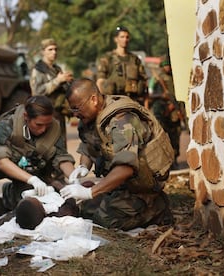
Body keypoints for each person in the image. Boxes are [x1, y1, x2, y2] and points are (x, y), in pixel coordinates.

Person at [60, 78, 175, 231]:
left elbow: (126, 167)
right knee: (86, 210)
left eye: (77, 108)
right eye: (72, 110)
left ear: (93, 99)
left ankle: (156, 208)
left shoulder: (122, 120)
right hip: (123, 183)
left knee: (105, 222)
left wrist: (90, 192)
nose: (75, 115)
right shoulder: (90, 118)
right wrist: (83, 166)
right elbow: (88, 145)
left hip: (141, 184)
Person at [0, 95, 76, 226]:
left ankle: (11, 194)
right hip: (8, 165)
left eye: (47, 125)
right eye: (39, 125)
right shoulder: (8, 124)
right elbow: (2, 162)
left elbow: (61, 157)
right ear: (26, 117)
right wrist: (32, 180)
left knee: (28, 208)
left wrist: (73, 177)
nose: (43, 129)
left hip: (33, 168)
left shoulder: (54, 128)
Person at [30, 38, 73, 147]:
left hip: (58, 113)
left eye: (55, 49)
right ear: (43, 51)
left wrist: (67, 81)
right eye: (50, 49)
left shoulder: (57, 69)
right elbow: (37, 92)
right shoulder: (38, 70)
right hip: (45, 114)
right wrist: (57, 81)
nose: (54, 52)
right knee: (47, 147)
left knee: (61, 147)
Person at [96, 26, 148, 106]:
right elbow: (100, 81)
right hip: (113, 102)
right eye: (122, 37)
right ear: (116, 39)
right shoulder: (107, 58)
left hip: (133, 101)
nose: (125, 40)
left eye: (127, 37)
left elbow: (144, 82)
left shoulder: (135, 59)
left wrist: (146, 106)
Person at [150, 59, 182, 167]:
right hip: (161, 109)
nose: (168, 67)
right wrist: (161, 96)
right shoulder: (157, 79)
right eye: (165, 66)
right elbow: (150, 95)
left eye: (169, 65)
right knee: (162, 135)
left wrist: (174, 106)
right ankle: (165, 160)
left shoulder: (175, 77)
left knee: (175, 134)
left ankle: (175, 157)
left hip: (173, 108)